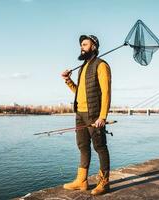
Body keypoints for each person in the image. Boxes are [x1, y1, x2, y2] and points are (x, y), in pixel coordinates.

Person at [61, 35, 111, 195]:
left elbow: (106, 93)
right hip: (80, 113)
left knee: (100, 147)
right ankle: (82, 181)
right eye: (81, 45)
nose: (81, 47)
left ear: (94, 46)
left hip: (94, 114)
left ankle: (104, 182)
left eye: (85, 44)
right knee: (83, 147)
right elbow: (80, 93)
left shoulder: (101, 65)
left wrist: (102, 116)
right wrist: (68, 80)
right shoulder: (82, 68)